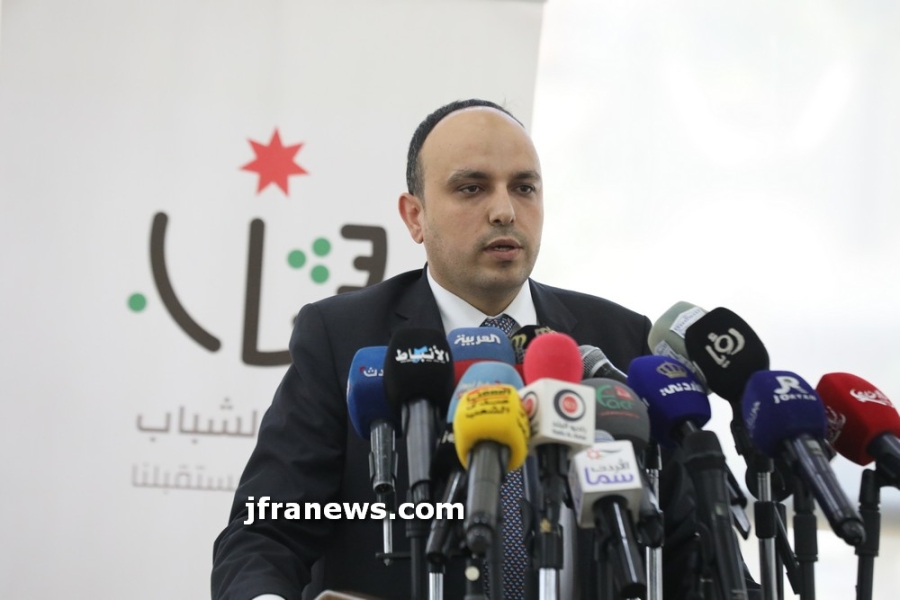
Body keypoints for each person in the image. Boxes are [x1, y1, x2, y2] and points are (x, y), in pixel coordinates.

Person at [211, 99, 652, 600]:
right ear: (415, 216)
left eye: (524, 187)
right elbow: (266, 531)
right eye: (472, 188)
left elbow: (684, 540)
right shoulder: (345, 337)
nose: (505, 211)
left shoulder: (617, 341)